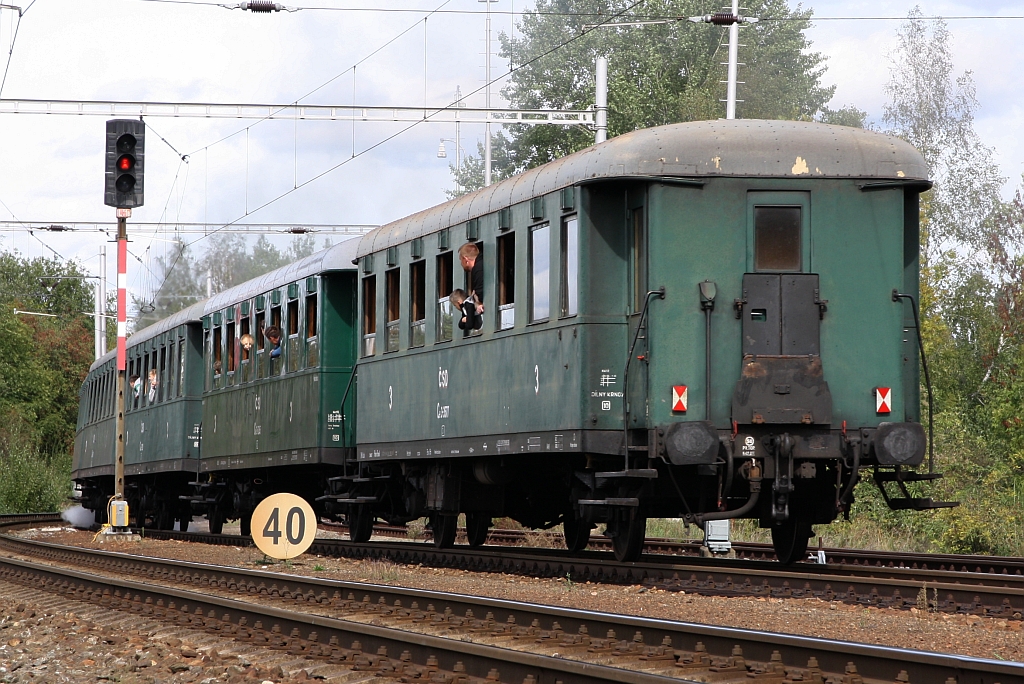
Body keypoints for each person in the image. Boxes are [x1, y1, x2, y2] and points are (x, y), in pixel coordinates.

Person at [458, 242, 484, 312]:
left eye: (461, 260)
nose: (461, 263)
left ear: (465, 259)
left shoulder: (477, 269)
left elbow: (481, 294)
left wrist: (475, 297)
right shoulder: (482, 263)